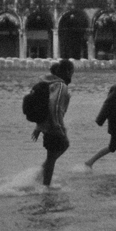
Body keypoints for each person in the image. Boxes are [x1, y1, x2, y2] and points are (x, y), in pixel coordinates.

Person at [31, 59, 74, 187]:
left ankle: (41, 175)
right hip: (53, 125)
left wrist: (39, 127)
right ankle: (45, 186)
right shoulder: (61, 86)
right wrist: (58, 126)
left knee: (63, 146)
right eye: (72, 72)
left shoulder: (51, 84)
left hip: (47, 124)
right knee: (52, 156)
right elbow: (53, 106)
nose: (72, 75)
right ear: (67, 72)